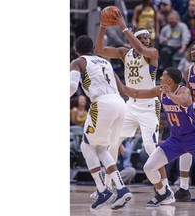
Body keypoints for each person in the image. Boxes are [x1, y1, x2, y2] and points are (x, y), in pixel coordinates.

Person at [95, 11, 175, 204]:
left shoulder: (153, 54)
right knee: (112, 143)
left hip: (149, 106)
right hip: (130, 105)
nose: (147, 40)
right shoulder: (125, 53)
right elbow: (99, 50)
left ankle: (165, 189)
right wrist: (103, 26)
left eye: (148, 37)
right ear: (135, 38)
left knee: (150, 147)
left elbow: (140, 48)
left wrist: (124, 27)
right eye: (143, 37)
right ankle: (107, 187)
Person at [122, 67, 195, 206]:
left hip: (194, 137)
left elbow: (184, 102)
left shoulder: (184, 91)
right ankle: (164, 193)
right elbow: (136, 93)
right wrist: (117, 83)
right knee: (148, 167)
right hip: (175, 140)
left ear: (169, 80)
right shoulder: (160, 91)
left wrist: (170, 94)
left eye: (163, 76)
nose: (160, 78)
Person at [70, 35, 132, 210]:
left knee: (86, 146)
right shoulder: (105, 62)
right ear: (92, 49)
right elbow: (121, 88)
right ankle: (121, 188)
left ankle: (102, 190)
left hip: (102, 103)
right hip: (120, 104)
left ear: (76, 50)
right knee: (101, 148)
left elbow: (72, 87)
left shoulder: (78, 62)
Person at [174, 39, 195, 201]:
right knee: (187, 148)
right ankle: (184, 187)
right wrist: (192, 108)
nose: (194, 52)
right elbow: (190, 94)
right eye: (192, 49)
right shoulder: (188, 71)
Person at [158, 10, 191, 77]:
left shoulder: (182, 26)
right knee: (164, 51)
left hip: (180, 46)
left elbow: (186, 36)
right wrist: (163, 40)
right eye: (170, 19)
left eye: (172, 19)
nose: (171, 21)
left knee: (183, 54)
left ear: (177, 19)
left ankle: (180, 74)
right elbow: (160, 39)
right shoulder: (165, 28)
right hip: (169, 46)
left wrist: (183, 46)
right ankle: (167, 72)